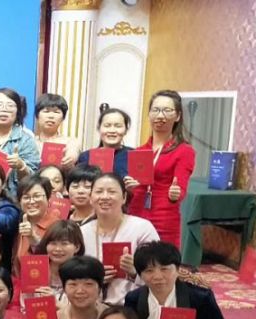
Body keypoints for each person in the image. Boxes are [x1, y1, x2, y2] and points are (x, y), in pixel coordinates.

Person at [125, 91, 196, 247]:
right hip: (136, 212)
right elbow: (133, 191)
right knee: (134, 259)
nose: (160, 115)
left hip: (164, 217)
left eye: (167, 110)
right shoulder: (140, 151)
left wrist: (176, 193)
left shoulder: (184, 151)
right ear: (149, 114)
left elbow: (181, 187)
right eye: (155, 110)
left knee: (162, 259)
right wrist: (129, 188)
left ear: (178, 116)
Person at [79, 173, 159, 305]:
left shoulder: (142, 228)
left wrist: (134, 272)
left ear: (124, 197)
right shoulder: (82, 231)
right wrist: (93, 279)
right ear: (91, 198)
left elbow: (160, 275)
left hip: (131, 307)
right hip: (90, 306)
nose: (105, 197)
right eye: (99, 191)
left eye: (112, 192)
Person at [0, 88, 40, 194]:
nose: (4, 110)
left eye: (10, 106)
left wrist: (21, 166)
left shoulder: (26, 141)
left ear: (17, 111)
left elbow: (34, 180)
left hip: (10, 198)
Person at [13, 176, 59, 277]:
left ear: (48, 197)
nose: (32, 201)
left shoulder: (57, 226)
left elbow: (57, 259)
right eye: (26, 197)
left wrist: (34, 239)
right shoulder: (20, 223)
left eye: (37, 196)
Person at [30, 220, 85, 302]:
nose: (58, 249)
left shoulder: (84, 275)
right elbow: (25, 304)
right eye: (53, 243)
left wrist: (55, 302)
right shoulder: (35, 271)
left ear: (77, 247)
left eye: (64, 243)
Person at [77, 107, 133, 180]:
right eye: (107, 126)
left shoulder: (134, 155)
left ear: (126, 130)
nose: (112, 130)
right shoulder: (86, 156)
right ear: (99, 128)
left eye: (118, 126)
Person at [33, 93, 81, 169]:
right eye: (46, 111)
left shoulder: (70, 142)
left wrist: (71, 157)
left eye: (56, 112)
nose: (51, 116)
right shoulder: (30, 142)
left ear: (63, 118)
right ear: (37, 116)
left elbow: (73, 151)